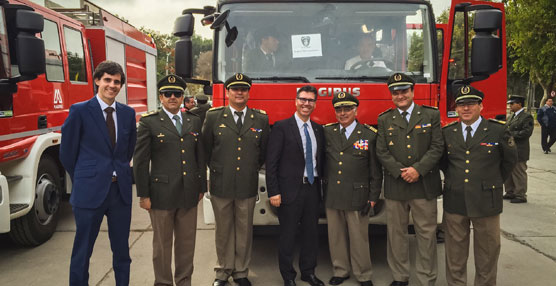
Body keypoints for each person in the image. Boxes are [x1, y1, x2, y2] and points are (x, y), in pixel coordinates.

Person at [60, 60, 137, 286]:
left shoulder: (127, 113)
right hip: (89, 193)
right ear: (97, 81)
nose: (112, 85)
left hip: (119, 193)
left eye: (117, 81)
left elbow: (127, 150)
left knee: (122, 251)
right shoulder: (80, 111)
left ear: (121, 85)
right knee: (82, 251)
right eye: (107, 80)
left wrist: (118, 172)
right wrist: (85, 178)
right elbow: (67, 153)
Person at [133, 74, 206, 286]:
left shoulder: (194, 120)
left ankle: (184, 281)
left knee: (186, 244)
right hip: (161, 195)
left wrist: (201, 186)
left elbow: (199, 157)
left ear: (183, 96)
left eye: (177, 94)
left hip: (189, 193)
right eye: (167, 94)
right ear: (161, 97)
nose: (172, 97)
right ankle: (163, 282)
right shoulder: (149, 122)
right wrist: (143, 195)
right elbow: (140, 161)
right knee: (162, 246)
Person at [441, 85, 517, 286]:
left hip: (486, 201)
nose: (466, 108)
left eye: (471, 104)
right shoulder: (448, 132)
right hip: (455, 199)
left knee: (488, 252)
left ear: (481, 106)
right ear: (456, 108)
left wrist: (490, 182)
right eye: (461, 105)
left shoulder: (497, 130)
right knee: (455, 253)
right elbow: (444, 163)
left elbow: (509, 162)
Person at [202, 73, 270, 286]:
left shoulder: (260, 118)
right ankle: (222, 272)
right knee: (223, 231)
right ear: (227, 92)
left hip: (247, 184)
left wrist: (250, 169)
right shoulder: (214, 117)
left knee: (244, 230)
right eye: (235, 89)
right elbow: (205, 149)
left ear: (248, 92)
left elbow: (264, 151)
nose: (239, 92)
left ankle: (241, 272)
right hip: (221, 183)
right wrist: (217, 170)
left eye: (243, 89)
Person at [376, 73, 443, 286]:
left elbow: (437, 147)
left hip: (424, 185)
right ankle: (400, 276)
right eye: (395, 93)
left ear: (412, 92)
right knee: (396, 235)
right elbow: (382, 151)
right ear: (391, 96)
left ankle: (427, 278)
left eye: (404, 91)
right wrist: (400, 171)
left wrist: (417, 170)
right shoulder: (384, 118)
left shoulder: (430, 115)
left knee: (426, 235)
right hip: (396, 186)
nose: (400, 96)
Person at [266, 85, 325, 286]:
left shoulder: (318, 129)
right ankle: (288, 276)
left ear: (315, 104)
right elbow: (271, 162)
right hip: (289, 191)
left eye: (310, 100)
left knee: (311, 234)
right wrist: (274, 191)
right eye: (303, 99)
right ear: (296, 101)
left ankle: (308, 273)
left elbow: (321, 161)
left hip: (312, 188)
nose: (306, 103)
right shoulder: (282, 127)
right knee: (288, 236)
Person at [323, 92, 382, 286]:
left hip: (358, 195)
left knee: (359, 238)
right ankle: (340, 270)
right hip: (333, 194)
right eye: (339, 109)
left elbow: (375, 170)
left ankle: (363, 274)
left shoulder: (368, 135)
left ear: (356, 110)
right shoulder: (328, 132)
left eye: (347, 109)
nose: (343, 113)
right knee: (336, 236)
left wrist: (373, 197)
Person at [503, 95, 534, 204]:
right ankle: (510, 191)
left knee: (518, 172)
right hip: (510, 149)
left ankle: (520, 194)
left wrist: (510, 134)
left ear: (519, 104)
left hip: (520, 150)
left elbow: (526, 132)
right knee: (509, 171)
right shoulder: (512, 116)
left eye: (512, 104)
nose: (510, 106)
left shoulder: (527, 117)